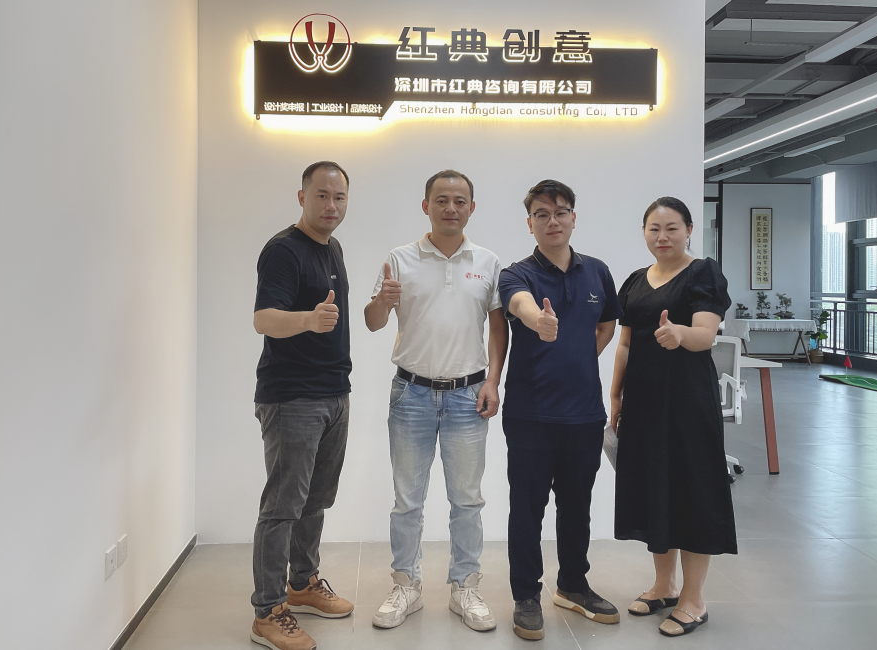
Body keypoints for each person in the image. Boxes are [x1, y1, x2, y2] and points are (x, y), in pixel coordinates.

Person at [364, 169, 508, 632]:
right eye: (441, 200)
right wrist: (383, 302)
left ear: (471, 208)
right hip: (412, 393)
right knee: (407, 501)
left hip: (469, 395)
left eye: (459, 201)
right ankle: (406, 585)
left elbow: (498, 329)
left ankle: (465, 585)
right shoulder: (400, 258)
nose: (450, 208)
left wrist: (493, 380)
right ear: (425, 206)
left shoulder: (487, 262)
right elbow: (372, 321)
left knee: (467, 500)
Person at [498, 179, 622, 640]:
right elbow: (520, 305)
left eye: (561, 212)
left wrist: (580, 356)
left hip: (585, 414)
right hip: (530, 414)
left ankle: (573, 585)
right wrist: (539, 321)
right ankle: (526, 596)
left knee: (577, 506)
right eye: (542, 214)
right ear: (529, 223)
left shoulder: (597, 272)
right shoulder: (516, 274)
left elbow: (607, 324)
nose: (552, 221)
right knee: (526, 509)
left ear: (573, 217)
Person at [609, 196, 736, 638]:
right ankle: (664, 585)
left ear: (689, 230)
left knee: (692, 492)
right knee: (654, 489)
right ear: (644, 233)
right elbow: (625, 344)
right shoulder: (634, 281)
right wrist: (616, 395)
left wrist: (679, 333)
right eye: (654, 229)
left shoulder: (703, 273)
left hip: (688, 404)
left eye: (672, 228)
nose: (662, 237)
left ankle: (694, 600)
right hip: (643, 403)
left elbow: (705, 335)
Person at [249, 161, 355, 650]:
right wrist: (309, 320)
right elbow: (264, 319)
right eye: (322, 195)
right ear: (302, 197)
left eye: (339, 197)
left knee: (315, 499)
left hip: (334, 393)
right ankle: (268, 611)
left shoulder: (332, 247)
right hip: (292, 397)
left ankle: (302, 583)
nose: (331, 205)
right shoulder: (283, 250)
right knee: (282, 506)